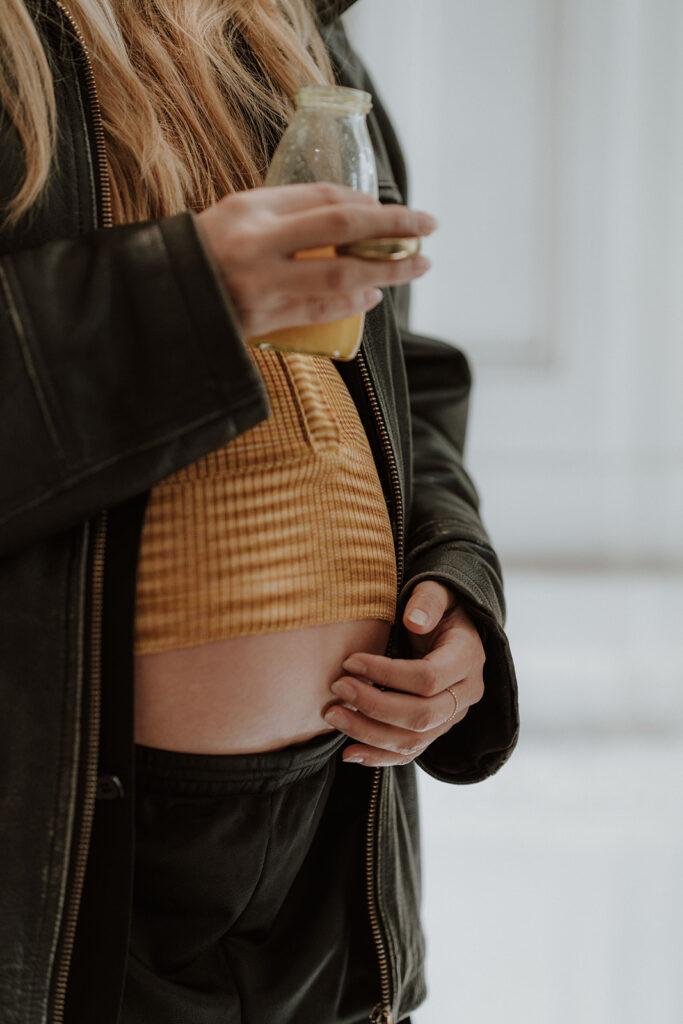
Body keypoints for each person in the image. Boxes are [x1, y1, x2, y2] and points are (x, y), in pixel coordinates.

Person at [0, 1, 520, 1022]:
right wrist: (185, 298)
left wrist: (453, 581)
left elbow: (399, 379)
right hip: (57, 892)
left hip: (331, 862)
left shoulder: (297, 36)